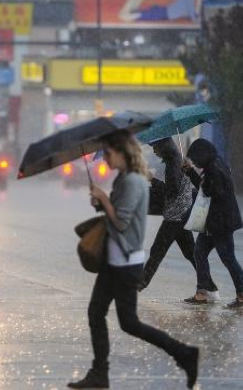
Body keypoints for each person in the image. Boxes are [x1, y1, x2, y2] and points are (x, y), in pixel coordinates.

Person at [68, 131, 198, 390]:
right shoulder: (125, 179)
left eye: (108, 153)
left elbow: (123, 222)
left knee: (129, 323)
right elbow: (119, 213)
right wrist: (100, 202)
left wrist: (104, 200)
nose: (104, 159)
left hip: (125, 264)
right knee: (96, 313)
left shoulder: (132, 182)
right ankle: (99, 374)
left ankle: (184, 353)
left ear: (121, 153)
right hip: (114, 260)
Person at [139, 137, 218, 295]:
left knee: (157, 251)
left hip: (175, 216)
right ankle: (209, 287)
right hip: (181, 214)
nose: (153, 149)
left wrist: (152, 180)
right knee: (191, 252)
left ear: (164, 146)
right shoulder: (174, 160)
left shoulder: (174, 162)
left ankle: (139, 285)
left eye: (155, 146)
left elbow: (171, 191)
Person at [182, 138, 243, 308]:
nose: (195, 162)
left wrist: (204, 183)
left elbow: (215, 192)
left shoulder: (214, 169)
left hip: (221, 224)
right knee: (199, 252)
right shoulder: (216, 164)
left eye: (195, 158)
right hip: (213, 223)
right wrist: (190, 173)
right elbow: (206, 188)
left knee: (228, 258)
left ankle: (242, 295)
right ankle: (201, 293)